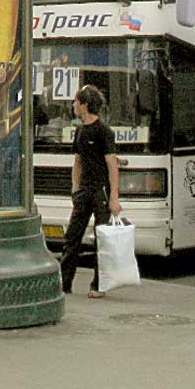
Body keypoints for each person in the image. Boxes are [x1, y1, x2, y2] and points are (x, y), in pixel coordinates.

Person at [60, 85, 122, 299]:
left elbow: (112, 165)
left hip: (101, 190)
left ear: (85, 105)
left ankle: (98, 285)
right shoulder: (79, 131)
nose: (74, 105)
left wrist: (114, 197)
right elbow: (77, 162)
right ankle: (64, 283)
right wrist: (74, 188)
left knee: (101, 238)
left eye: (76, 102)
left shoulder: (104, 132)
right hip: (84, 190)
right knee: (72, 236)